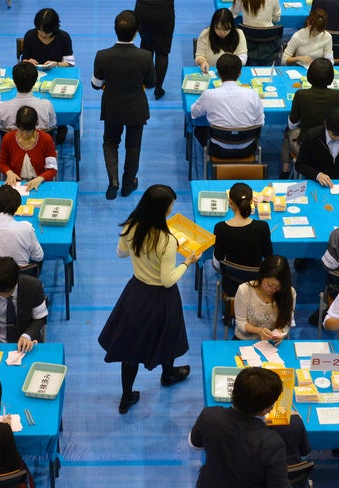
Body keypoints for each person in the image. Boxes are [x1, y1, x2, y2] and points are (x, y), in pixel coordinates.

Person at [98, 185, 201, 414]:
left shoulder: (132, 226)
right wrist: (187, 262)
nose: (172, 209)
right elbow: (167, 280)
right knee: (169, 337)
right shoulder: (167, 241)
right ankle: (168, 374)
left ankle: (127, 396)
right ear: (161, 209)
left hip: (136, 292)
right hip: (162, 297)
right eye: (170, 206)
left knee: (130, 347)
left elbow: (121, 253)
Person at [189, 367, 292, 487]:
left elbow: (194, 444)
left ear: (232, 392)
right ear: (268, 408)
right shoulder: (271, 442)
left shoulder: (209, 416)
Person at [92, 10, 155, 200]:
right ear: (136, 32)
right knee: (133, 147)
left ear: (115, 30)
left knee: (110, 142)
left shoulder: (102, 55)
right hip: (136, 108)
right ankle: (128, 184)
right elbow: (151, 83)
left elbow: (96, 85)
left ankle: (113, 181)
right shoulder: (145, 56)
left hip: (112, 106)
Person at [280, 58, 339, 178]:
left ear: (309, 76)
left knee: (288, 132)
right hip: (329, 147)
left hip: (305, 147)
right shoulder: (337, 95)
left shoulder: (301, 95)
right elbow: (338, 122)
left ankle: (285, 169)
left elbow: (292, 124)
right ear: (331, 78)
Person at [190, 53, 264, 156]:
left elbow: (194, 112)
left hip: (218, 150)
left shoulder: (209, 95)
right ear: (240, 73)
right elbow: (260, 122)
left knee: (199, 129)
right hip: (247, 149)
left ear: (218, 73)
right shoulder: (253, 95)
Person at [0, 256, 48, 355]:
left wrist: (27, 335)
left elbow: (40, 318)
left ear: (16, 280)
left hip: (27, 344)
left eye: (8, 291)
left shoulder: (33, 286)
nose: (4, 295)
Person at [20, 8, 72, 143]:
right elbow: (24, 60)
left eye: (46, 34)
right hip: (35, 79)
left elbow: (70, 63)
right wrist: (28, 61)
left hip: (57, 77)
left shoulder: (64, 37)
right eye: (40, 32)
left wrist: (56, 63)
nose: (42, 35)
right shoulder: (30, 35)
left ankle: (61, 125)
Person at [212, 183, 272, 296]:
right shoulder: (262, 226)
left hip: (231, 284)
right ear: (251, 202)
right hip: (256, 283)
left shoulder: (220, 228)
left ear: (230, 202)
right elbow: (268, 255)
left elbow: (219, 256)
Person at [295, 108, 339, 188]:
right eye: (334, 134)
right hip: (316, 183)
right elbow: (300, 165)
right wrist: (317, 175)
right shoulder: (312, 136)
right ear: (325, 124)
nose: (337, 138)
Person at [233, 255, 295, 342]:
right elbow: (240, 322)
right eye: (269, 285)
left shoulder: (289, 293)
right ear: (262, 276)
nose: (273, 290)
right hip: (245, 341)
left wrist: (280, 333)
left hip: (271, 344)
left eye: (278, 287)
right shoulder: (245, 290)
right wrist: (259, 331)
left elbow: (287, 321)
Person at [0, 106, 57, 191]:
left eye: (29, 131)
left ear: (35, 125)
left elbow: (52, 168)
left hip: (40, 183)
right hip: (16, 184)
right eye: (21, 130)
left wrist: (40, 178)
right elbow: (3, 163)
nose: (25, 134)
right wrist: (9, 172)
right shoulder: (8, 139)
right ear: (16, 126)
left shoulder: (46, 139)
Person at [0, 62, 57, 132]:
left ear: (14, 81)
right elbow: (52, 125)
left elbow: (2, 127)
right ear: (35, 82)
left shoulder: (3, 107)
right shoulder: (46, 105)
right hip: (41, 142)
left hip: (12, 142)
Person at [134, 0, 175, 100]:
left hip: (142, 9)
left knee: (146, 44)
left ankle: (146, 82)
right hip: (164, 9)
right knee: (162, 52)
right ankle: (158, 89)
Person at [195, 8, 248, 73]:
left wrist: (232, 63)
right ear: (213, 25)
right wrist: (203, 62)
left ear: (232, 26)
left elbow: (243, 56)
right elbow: (200, 55)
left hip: (232, 73)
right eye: (218, 28)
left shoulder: (239, 34)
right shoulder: (205, 34)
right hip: (210, 71)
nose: (222, 33)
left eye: (226, 29)